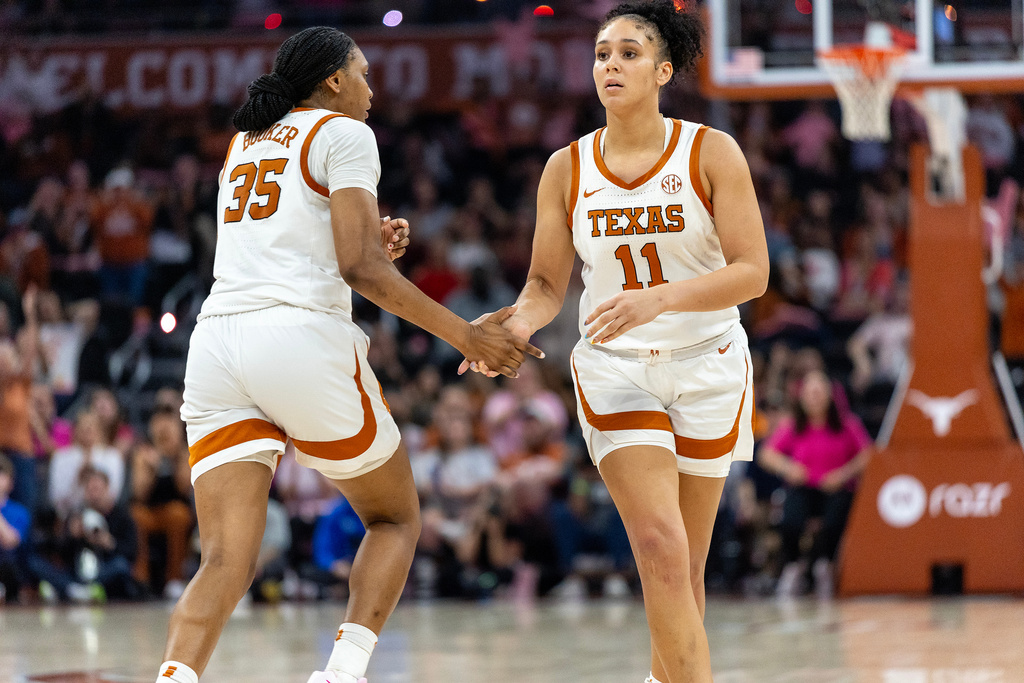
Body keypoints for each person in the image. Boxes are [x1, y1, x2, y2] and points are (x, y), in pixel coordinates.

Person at [155, 26, 540, 683]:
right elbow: (360, 268)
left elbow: (294, 246)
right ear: (333, 80)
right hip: (296, 340)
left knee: (224, 559)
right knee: (394, 517)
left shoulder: (243, 142)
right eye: (363, 73)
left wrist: (361, 245)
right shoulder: (346, 134)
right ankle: (342, 672)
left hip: (218, 342)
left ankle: (174, 675)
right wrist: (467, 337)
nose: (372, 88)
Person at [464, 2, 768, 680]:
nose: (611, 64)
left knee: (686, 567)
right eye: (603, 52)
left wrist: (657, 299)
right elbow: (545, 283)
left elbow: (753, 273)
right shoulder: (565, 168)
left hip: (709, 361)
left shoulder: (710, 151)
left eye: (629, 53)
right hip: (617, 369)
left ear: (662, 70)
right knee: (658, 547)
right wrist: (514, 325)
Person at [756, 370, 872, 599]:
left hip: (836, 488)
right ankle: (792, 567)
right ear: (802, 397)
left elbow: (868, 454)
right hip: (803, 486)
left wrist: (842, 474)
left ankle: (826, 566)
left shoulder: (847, 424)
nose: (815, 397)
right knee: (789, 520)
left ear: (829, 395)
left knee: (835, 520)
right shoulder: (793, 425)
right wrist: (788, 468)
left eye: (819, 392)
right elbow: (766, 454)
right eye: (810, 393)